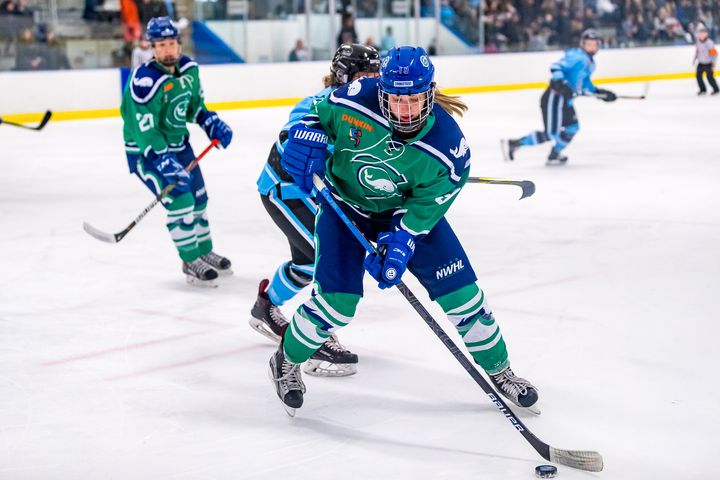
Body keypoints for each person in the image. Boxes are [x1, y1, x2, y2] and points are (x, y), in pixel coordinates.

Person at [268, 45, 539, 415]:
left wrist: (401, 241)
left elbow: (426, 206)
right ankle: (285, 359)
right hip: (344, 208)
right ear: (381, 90)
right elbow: (311, 114)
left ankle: (500, 369)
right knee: (337, 305)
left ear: (429, 93)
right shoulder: (354, 101)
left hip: (403, 212)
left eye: (413, 99)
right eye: (395, 99)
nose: (405, 109)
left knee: (463, 296)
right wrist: (302, 135)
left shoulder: (449, 148)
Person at [252, 43, 381, 378]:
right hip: (286, 191)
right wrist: (312, 141)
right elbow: (294, 131)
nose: (373, 81)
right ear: (344, 75)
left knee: (306, 262)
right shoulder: (320, 102)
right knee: (326, 256)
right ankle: (315, 339)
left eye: (376, 75)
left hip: (311, 195)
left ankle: (265, 306)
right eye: (366, 74)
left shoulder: (368, 108)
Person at [120, 16, 233, 286]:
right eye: (161, 45)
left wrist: (210, 121)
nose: (167, 50)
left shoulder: (189, 69)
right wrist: (162, 160)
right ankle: (189, 259)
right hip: (147, 153)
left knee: (199, 199)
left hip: (180, 147)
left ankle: (204, 252)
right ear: (152, 47)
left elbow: (193, 106)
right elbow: (144, 129)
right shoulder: (144, 81)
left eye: (172, 43)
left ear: (179, 44)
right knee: (181, 202)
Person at [501, 29, 617, 166]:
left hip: (565, 101)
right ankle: (514, 143)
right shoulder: (577, 57)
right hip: (554, 98)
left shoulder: (590, 63)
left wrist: (600, 92)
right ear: (582, 44)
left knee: (572, 127)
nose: (591, 47)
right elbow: (556, 67)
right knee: (551, 134)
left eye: (594, 44)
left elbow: (584, 83)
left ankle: (554, 154)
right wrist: (561, 84)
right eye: (588, 44)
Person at [693, 24, 718, 95]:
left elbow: (714, 54)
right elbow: (697, 51)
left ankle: (716, 89)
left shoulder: (709, 43)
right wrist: (694, 60)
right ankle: (703, 89)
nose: (701, 35)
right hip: (700, 63)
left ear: (706, 34)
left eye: (703, 33)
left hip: (708, 63)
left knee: (710, 77)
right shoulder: (698, 42)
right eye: (700, 34)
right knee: (698, 77)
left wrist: (713, 64)